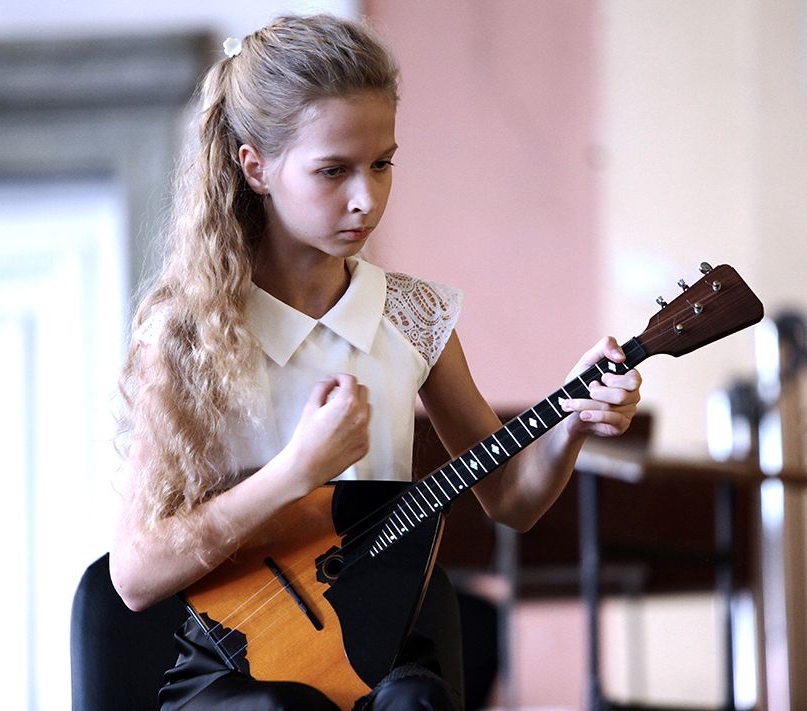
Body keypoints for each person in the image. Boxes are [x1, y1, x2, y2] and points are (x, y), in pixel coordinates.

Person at [109, 13, 642, 711]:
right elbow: (135, 574)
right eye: (333, 170)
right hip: (239, 662)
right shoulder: (187, 336)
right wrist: (296, 472)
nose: (366, 198)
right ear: (255, 166)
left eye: (382, 164)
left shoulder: (415, 318)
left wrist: (570, 422)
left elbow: (511, 499)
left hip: (386, 653)